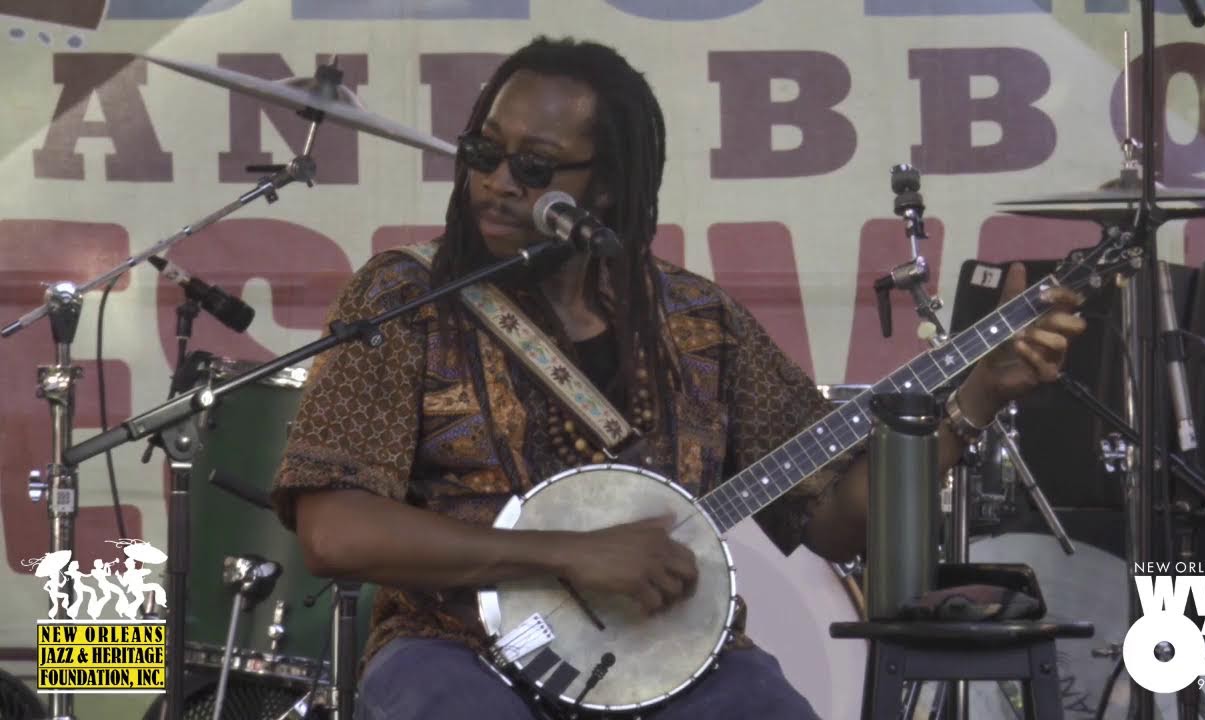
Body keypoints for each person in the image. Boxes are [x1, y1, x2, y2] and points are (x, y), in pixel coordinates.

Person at [271, 36, 1085, 719]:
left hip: (672, 662)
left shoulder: (700, 324)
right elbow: (334, 533)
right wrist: (568, 556)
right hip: (456, 652)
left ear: (611, 182)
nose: (498, 182)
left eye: (537, 165)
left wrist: (978, 397)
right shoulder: (404, 297)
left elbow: (837, 520)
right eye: (486, 152)